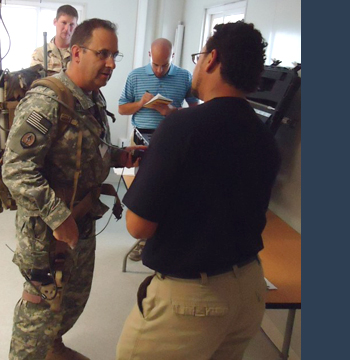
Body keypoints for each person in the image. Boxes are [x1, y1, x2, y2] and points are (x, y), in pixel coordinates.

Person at [116, 21, 280, 360]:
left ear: (212, 59)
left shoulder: (180, 128)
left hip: (194, 299)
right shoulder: (264, 134)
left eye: (199, 55)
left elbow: (138, 226)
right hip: (248, 290)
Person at [3, 18, 143, 360]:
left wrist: (118, 155)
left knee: (74, 296)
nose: (111, 63)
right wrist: (57, 216)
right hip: (46, 228)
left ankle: (53, 347)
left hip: (82, 217)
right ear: (77, 52)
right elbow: (16, 168)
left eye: (115, 55)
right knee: (41, 304)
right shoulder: (47, 101)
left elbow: (86, 152)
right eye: (103, 53)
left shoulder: (92, 99)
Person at [118, 38, 199, 261]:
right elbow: (122, 108)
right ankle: (142, 240)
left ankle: (161, 239)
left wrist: (171, 111)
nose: (160, 70)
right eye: (155, 65)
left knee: (169, 191)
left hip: (172, 138)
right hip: (141, 137)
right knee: (141, 192)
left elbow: (196, 110)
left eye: (164, 65)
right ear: (149, 56)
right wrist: (141, 103)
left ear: (172, 57)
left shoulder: (184, 76)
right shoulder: (135, 76)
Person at [30, 5, 78, 75]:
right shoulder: (40, 53)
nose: (67, 29)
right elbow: (35, 82)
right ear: (55, 22)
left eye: (71, 25)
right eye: (64, 23)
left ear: (76, 26)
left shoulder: (79, 54)